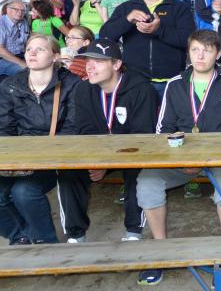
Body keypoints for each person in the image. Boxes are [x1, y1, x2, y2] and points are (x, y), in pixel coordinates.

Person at [137, 30, 221, 285]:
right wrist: (181, 159)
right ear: (188, 53)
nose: (200, 56)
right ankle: (161, 253)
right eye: (195, 50)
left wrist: (207, 158)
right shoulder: (174, 84)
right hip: (180, 160)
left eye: (207, 51)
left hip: (220, 161)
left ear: (218, 54)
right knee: (147, 182)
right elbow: (163, 130)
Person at [57, 39, 158, 243]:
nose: (90, 67)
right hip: (99, 154)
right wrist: (97, 162)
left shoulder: (142, 89)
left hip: (134, 152)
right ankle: (76, 235)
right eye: (88, 61)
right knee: (68, 173)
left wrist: (108, 163)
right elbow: (85, 132)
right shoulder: (83, 89)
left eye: (99, 61)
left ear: (116, 64)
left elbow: (142, 138)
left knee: (138, 172)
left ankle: (133, 232)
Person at [0, 34, 80, 245]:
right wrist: (13, 159)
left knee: (23, 191)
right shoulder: (10, 85)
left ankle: (47, 243)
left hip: (53, 156)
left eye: (40, 49)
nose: (32, 53)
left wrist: (39, 155)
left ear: (55, 56)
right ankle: (20, 236)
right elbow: (4, 128)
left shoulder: (71, 84)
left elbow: (73, 129)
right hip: (18, 157)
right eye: (28, 49)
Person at [100, 0, 195, 98]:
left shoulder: (178, 8)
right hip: (134, 83)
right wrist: (127, 20)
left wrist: (159, 30)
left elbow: (189, 40)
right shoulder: (126, 8)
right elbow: (105, 35)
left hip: (170, 83)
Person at [0, 0, 29, 76]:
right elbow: (0, 51)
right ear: (8, 10)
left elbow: (28, 41)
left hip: (21, 55)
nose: (20, 13)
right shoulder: (1, 24)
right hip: (4, 58)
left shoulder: (24, 22)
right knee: (28, 71)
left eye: (22, 11)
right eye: (16, 9)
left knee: (44, 64)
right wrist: (21, 63)